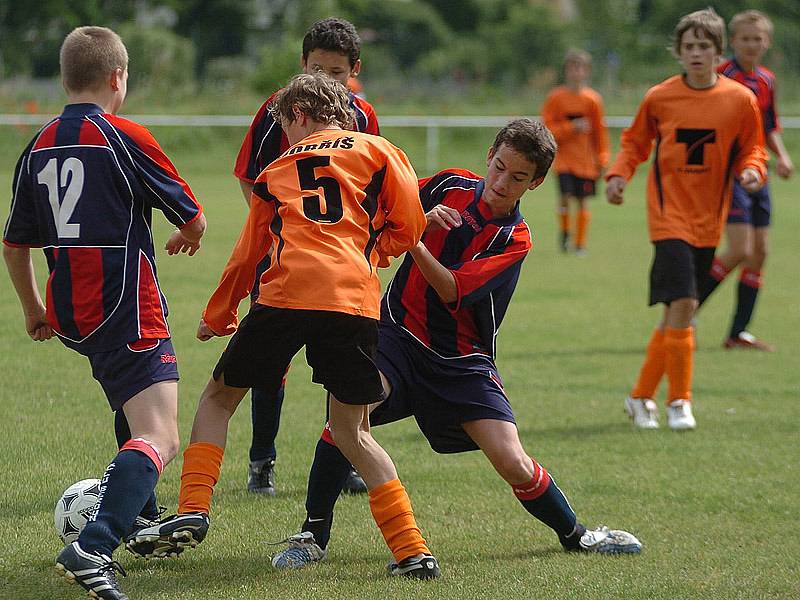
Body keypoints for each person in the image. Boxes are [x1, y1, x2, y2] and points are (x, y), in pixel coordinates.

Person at [267, 118, 642, 571]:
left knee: (513, 461)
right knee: (349, 414)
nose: (502, 183)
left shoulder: (513, 237)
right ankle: (312, 534)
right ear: (489, 156)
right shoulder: (448, 184)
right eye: (499, 167)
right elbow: (381, 201)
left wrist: (414, 238)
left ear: (536, 183)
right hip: (397, 336)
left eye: (518, 177)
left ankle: (576, 534)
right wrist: (410, 217)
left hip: (462, 361)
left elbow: (450, 290)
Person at [128, 73, 440, 579]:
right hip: (351, 298)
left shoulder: (276, 169)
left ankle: (192, 509)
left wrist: (219, 314)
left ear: (298, 116)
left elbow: (249, 252)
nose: (285, 136)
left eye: (284, 125)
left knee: (218, 399)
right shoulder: (380, 150)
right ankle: (412, 551)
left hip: (286, 294)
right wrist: (373, 252)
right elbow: (410, 221)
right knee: (353, 432)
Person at [2, 26, 206, 600]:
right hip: (125, 303)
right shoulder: (124, 135)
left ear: (66, 79)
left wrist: (34, 309)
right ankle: (95, 544)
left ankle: (142, 517)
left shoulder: (37, 144)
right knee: (161, 435)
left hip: (72, 309)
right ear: (119, 78)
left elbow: (15, 243)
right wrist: (188, 235)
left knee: (132, 403)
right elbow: (191, 217)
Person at [234, 17, 378, 496]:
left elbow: (374, 187)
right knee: (270, 362)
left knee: (341, 363)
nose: (325, 81)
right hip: (283, 258)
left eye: (336, 72)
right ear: (302, 64)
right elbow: (249, 177)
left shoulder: (364, 116)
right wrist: (278, 229)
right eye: (317, 69)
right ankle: (261, 461)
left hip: (343, 263)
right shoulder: (278, 110)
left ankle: (345, 458)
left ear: (354, 70)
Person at [605, 8, 767, 431]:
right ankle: (680, 402)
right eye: (689, 46)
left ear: (718, 52)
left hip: (708, 221)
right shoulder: (660, 97)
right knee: (685, 305)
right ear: (678, 52)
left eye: (704, 46)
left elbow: (754, 148)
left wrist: (753, 171)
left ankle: (640, 397)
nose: (696, 53)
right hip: (668, 218)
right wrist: (618, 175)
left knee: (676, 314)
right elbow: (634, 143)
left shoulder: (740, 100)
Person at [696, 10, 794, 351]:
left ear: (766, 42)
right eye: (745, 38)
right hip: (728, 174)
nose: (752, 44)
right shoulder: (720, 76)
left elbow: (767, 126)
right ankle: (686, 309)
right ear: (732, 41)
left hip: (758, 170)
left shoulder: (766, 80)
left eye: (758, 38)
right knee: (740, 248)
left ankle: (737, 333)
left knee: (760, 252)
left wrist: (781, 156)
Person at [541, 49, 609, 255]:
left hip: (585, 161)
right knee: (564, 196)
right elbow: (547, 128)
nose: (576, 72)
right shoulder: (556, 98)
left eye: (580, 67)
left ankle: (580, 244)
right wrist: (571, 128)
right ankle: (564, 234)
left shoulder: (593, 100)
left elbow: (599, 132)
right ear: (566, 70)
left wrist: (602, 158)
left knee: (582, 200)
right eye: (572, 67)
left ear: (587, 71)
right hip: (563, 160)